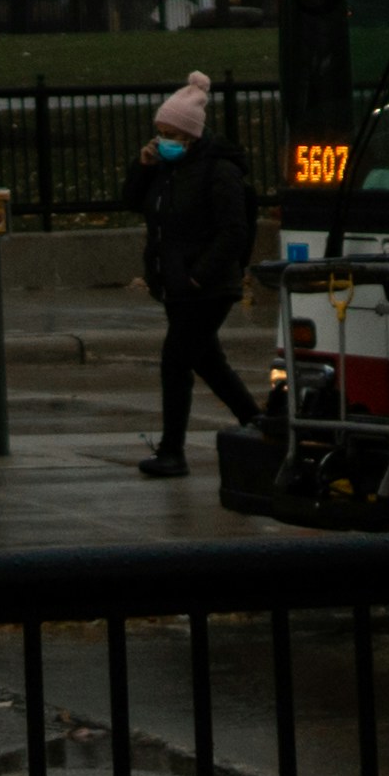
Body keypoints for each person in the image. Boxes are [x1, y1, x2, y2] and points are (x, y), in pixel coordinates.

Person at [130, 68, 261, 480]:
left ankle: (173, 452)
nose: (162, 141)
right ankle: (261, 428)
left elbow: (233, 232)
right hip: (178, 285)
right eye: (159, 133)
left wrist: (197, 276)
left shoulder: (217, 171)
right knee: (207, 362)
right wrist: (143, 166)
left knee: (176, 361)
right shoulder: (168, 170)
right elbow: (135, 202)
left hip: (205, 287)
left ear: (190, 135)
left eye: (169, 134)